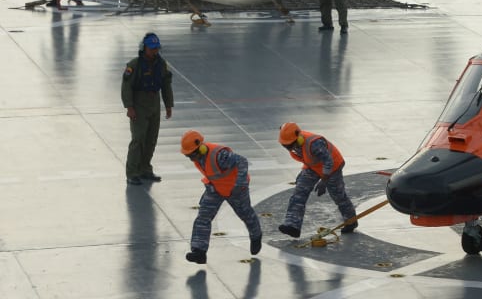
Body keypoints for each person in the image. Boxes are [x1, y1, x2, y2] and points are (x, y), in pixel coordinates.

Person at [180, 130, 262, 264]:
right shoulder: (198, 156)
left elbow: (242, 161)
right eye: (187, 155)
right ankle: (199, 252)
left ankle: (256, 236)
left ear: (200, 148)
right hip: (215, 189)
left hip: (235, 189)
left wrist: (240, 183)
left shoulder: (220, 155)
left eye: (191, 154)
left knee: (246, 214)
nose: (190, 158)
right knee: (203, 217)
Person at [276, 122, 358, 238]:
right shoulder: (293, 143)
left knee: (338, 195)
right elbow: (307, 158)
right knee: (299, 192)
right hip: (313, 167)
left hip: (333, 167)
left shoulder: (315, 144)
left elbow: (328, 162)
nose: (288, 148)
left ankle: (351, 221)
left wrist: (324, 180)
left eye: (289, 146)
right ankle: (292, 226)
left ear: (298, 139)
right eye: (285, 146)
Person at [122, 32, 174, 185]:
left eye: (156, 48)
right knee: (138, 139)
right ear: (144, 48)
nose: (154, 51)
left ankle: (145, 169)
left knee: (151, 139)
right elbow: (126, 88)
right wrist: (129, 107)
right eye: (151, 48)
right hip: (139, 103)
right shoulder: (134, 65)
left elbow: (166, 85)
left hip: (154, 103)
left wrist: (168, 104)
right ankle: (132, 172)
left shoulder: (161, 64)